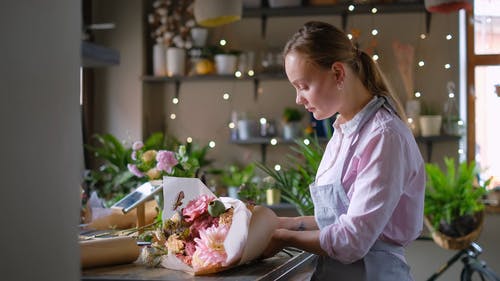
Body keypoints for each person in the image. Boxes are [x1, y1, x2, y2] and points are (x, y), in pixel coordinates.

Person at [262, 21, 425, 280]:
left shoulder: (384, 136)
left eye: (303, 86)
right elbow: (338, 219)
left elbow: (353, 239)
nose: (298, 99)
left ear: (338, 73)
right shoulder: (343, 131)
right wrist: (276, 224)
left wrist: (285, 237)